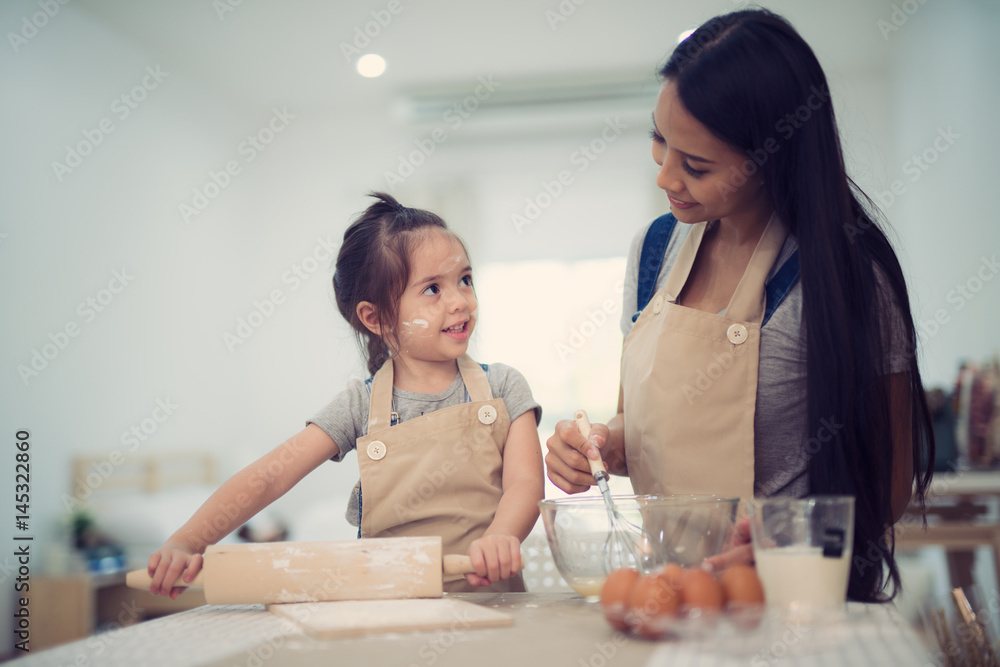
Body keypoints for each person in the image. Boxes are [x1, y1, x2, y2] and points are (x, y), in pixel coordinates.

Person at [544, 9, 934, 603]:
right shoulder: (654, 251)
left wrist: (789, 542)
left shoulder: (850, 276)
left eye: (696, 166)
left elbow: (891, 482)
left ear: (774, 156)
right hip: (672, 595)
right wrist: (602, 446)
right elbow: (640, 426)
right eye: (659, 140)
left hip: (791, 602)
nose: (666, 177)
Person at [147, 192, 544, 596]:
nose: (460, 301)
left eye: (464, 279)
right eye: (432, 290)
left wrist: (501, 537)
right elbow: (270, 476)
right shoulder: (361, 405)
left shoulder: (504, 387)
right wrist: (188, 541)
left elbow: (525, 484)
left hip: (494, 604)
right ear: (376, 317)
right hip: (389, 610)